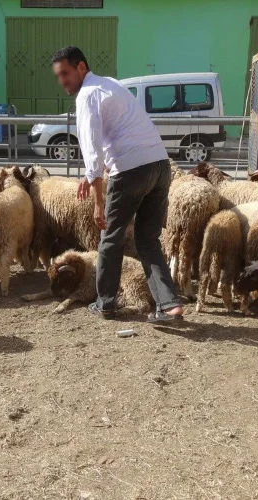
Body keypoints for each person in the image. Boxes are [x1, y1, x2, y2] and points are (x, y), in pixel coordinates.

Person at [51, 46, 184, 323]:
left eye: (65, 73)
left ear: (81, 68)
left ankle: (106, 302)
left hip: (130, 169)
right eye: (59, 75)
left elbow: (91, 147)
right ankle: (169, 305)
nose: (62, 80)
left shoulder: (87, 95)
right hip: (160, 166)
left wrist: (98, 199)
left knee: (110, 239)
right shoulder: (111, 84)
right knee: (148, 240)